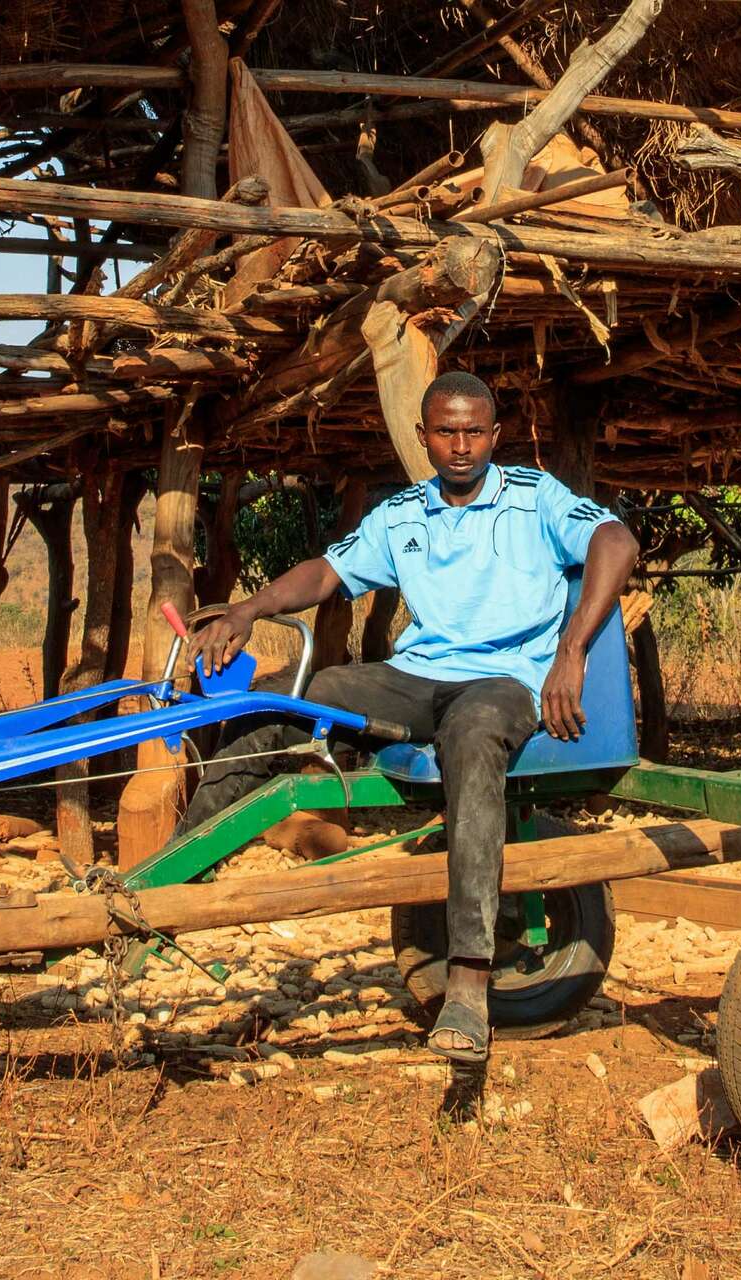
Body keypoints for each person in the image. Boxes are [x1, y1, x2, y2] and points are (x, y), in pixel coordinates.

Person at [185, 370, 638, 1063]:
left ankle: (467, 980)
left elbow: (615, 542)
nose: (461, 445)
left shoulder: (534, 498)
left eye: (474, 431)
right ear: (424, 438)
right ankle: (171, 877)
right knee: (300, 693)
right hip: (416, 677)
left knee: (474, 735)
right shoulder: (404, 514)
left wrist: (571, 649)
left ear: (495, 435)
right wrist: (245, 610)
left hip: (502, 681)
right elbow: (326, 574)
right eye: (447, 432)